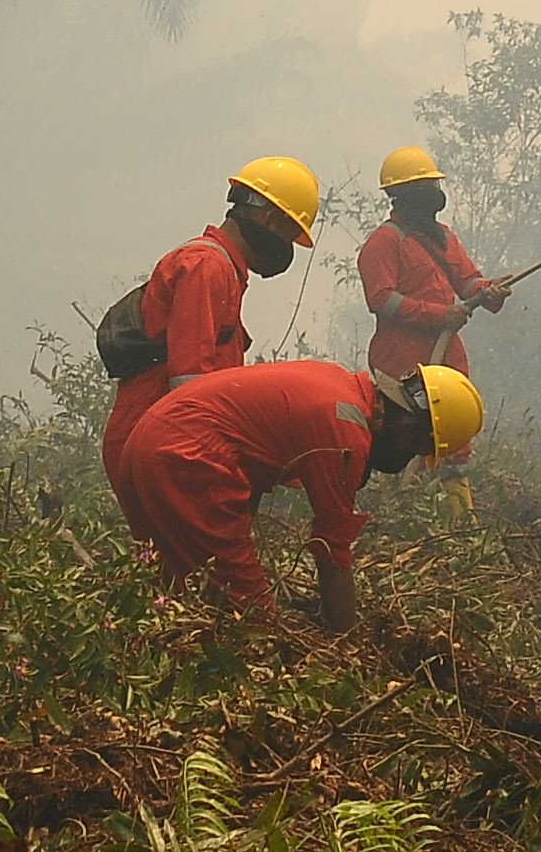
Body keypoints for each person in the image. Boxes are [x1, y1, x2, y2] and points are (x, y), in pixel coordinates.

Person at [117, 356, 481, 628]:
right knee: (253, 625)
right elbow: (331, 548)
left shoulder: (338, 382)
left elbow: (247, 452)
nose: (407, 458)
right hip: (186, 457)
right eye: (416, 448)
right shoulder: (346, 429)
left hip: (147, 442)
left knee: (172, 594)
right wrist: (346, 640)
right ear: (411, 427)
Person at [102, 156, 321, 538]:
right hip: (159, 447)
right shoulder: (206, 266)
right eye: (289, 237)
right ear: (269, 220)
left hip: (166, 443)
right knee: (182, 561)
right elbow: (190, 388)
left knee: (174, 563)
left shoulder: (223, 270)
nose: (285, 250)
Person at [358, 144, 509, 379]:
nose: (433, 194)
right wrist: (440, 315)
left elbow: (467, 282)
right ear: (405, 195)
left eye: (434, 185)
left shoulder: (444, 236)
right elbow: (382, 300)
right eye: (425, 187)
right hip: (402, 365)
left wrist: (489, 290)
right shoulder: (385, 241)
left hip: (447, 361)